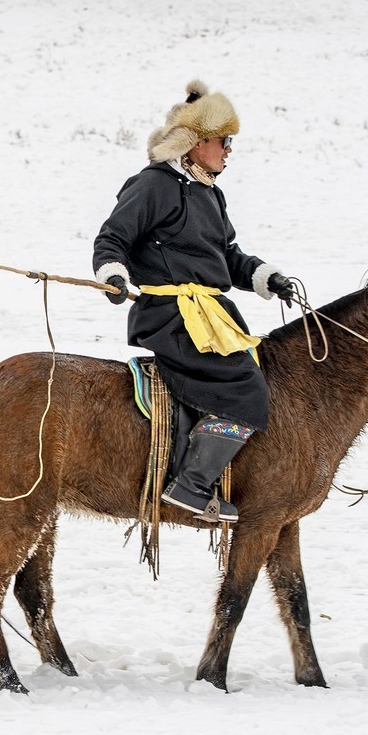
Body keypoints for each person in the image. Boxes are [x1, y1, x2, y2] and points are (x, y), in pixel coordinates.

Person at [92, 80, 294, 524]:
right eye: (224, 141)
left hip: (210, 316)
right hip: (170, 316)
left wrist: (265, 277)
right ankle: (191, 485)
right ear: (197, 142)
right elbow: (113, 237)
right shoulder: (153, 185)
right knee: (244, 387)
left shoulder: (210, 193)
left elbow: (228, 256)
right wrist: (112, 272)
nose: (228, 150)